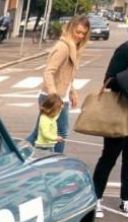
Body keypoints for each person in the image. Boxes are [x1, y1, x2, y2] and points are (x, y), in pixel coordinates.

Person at [25, 15, 90, 154]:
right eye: (78, 32)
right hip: (53, 97)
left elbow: (67, 75)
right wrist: (53, 94)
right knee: (60, 132)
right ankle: (56, 159)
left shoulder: (73, 47)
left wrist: (72, 91)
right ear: (70, 28)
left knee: (40, 133)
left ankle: (17, 154)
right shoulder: (63, 47)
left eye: (83, 33)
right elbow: (49, 71)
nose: (80, 36)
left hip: (60, 97)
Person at [92, 40, 128, 216]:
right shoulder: (125, 49)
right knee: (109, 158)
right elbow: (109, 79)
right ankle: (96, 198)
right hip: (118, 112)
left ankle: (126, 199)